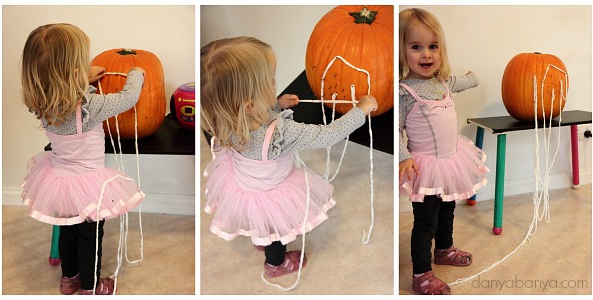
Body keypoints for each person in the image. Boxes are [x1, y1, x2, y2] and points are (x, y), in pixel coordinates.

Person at [201, 36, 378, 279]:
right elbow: (328, 135)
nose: (275, 83)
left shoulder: (223, 117)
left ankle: (260, 235)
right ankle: (276, 264)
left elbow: (251, 113)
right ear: (250, 103)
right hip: (271, 193)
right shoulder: (282, 133)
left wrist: (274, 104)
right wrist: (361, 111)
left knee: (260, 221)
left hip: (244, 186)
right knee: (276, 231)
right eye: (271, 81)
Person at [20, 23, 146, 295]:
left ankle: (69, 280)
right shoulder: (93, 106)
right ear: (74, 72)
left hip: (58, 179)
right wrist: (136, 72)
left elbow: (62, 89)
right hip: (90, 185)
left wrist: (82, 79)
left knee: (67, 230)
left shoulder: (39, 100)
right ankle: (91, 287)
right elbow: (129, 98)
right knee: (91, 237)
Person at [398, 8, 489, 295]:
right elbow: (396, 130)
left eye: (433, 47)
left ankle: (445, 247)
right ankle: (422, 273)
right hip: (426, 166)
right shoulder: (404, 92)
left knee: (448, 208)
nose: (426, 54)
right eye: (416, 47)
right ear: (401, 51)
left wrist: (473, 77)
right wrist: (404, 156)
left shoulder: (444, 83)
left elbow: (465, 81)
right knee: (425, 221)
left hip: (451, 161)